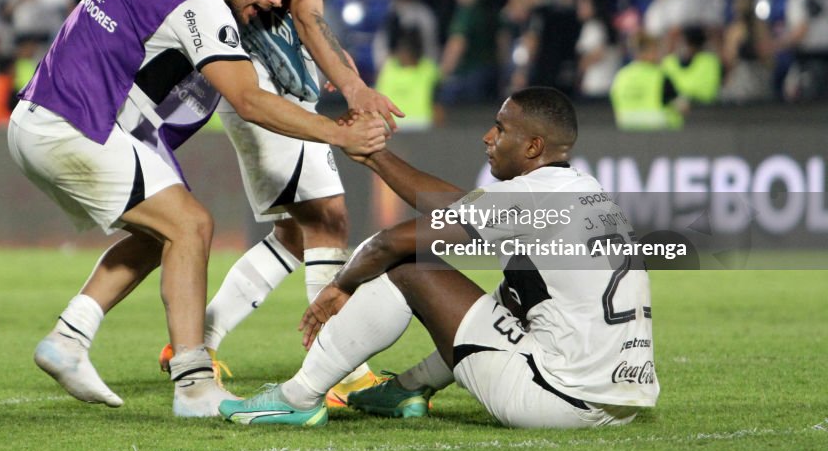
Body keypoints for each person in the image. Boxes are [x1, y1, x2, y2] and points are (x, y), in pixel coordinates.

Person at [8, 0, 387, 418]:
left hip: (42, 113)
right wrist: (339, 133)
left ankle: (69, 337)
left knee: (159, 232)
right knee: (192, 226)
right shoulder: (204, 4)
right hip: (76, 122)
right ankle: (193, 386)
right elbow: (248, 101)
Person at [219, 86, 659, 428]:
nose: (489, 136)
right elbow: (453, 206)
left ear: (532, 146)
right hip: (620, 399)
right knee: (512, 294)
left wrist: (340, 287)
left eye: (501, 128)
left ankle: (299, 396)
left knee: (408, 266)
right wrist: (375, 157)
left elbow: (390, 243)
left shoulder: (529, 197)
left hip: (557, 399)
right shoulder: (587, 192)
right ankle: (407, 390)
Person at [177, 0, 403, 408]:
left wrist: (348, 78)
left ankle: (195, 340)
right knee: (328, 216)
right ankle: (339, 368)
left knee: (299, 232)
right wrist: (350, 88)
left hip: (269, 78)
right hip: (259, 82)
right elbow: (298, 13)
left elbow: (308, 12)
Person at [610, 32, 686, 130]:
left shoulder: (621, 76)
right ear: (649, 52)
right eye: (657, 50)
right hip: (658, 133)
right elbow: (682, 107)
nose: (660, 55)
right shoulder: (660, 76)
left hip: (626, 132)